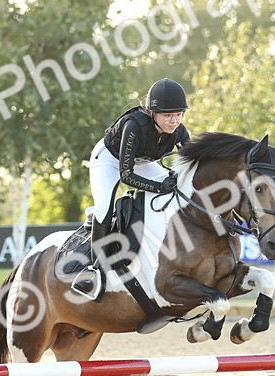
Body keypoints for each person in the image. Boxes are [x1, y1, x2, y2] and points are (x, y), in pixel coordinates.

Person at [71, 78, 190, 298]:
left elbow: (191, 167)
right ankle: (95, 271)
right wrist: (158, 185)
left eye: (179, 114)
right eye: (168, 115)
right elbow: (126, 175)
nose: (174, 121)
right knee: (105, 208)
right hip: (109, 160)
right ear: (153, 113)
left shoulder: (180, 132)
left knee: (176, 191)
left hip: (142, 163)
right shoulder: (134, 126)